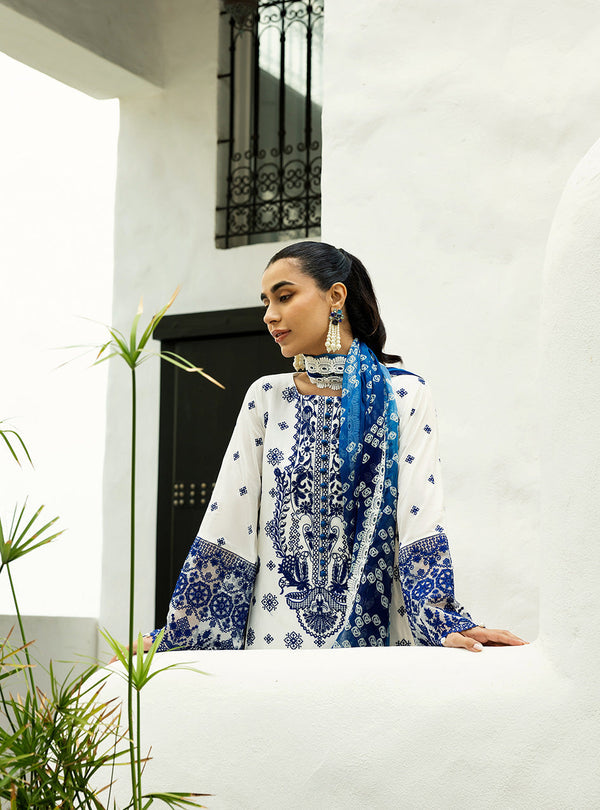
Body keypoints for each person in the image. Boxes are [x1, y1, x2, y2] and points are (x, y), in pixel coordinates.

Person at [145, 241, 526, 653]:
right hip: (273, 644)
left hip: (380, 645)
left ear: (336, 296)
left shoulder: (405, 395)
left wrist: (442, 619)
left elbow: (420, 515)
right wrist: (183, 632)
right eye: (266, 302)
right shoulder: (267, 398)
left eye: (284, 296)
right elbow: (229, 519)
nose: (269, 315)